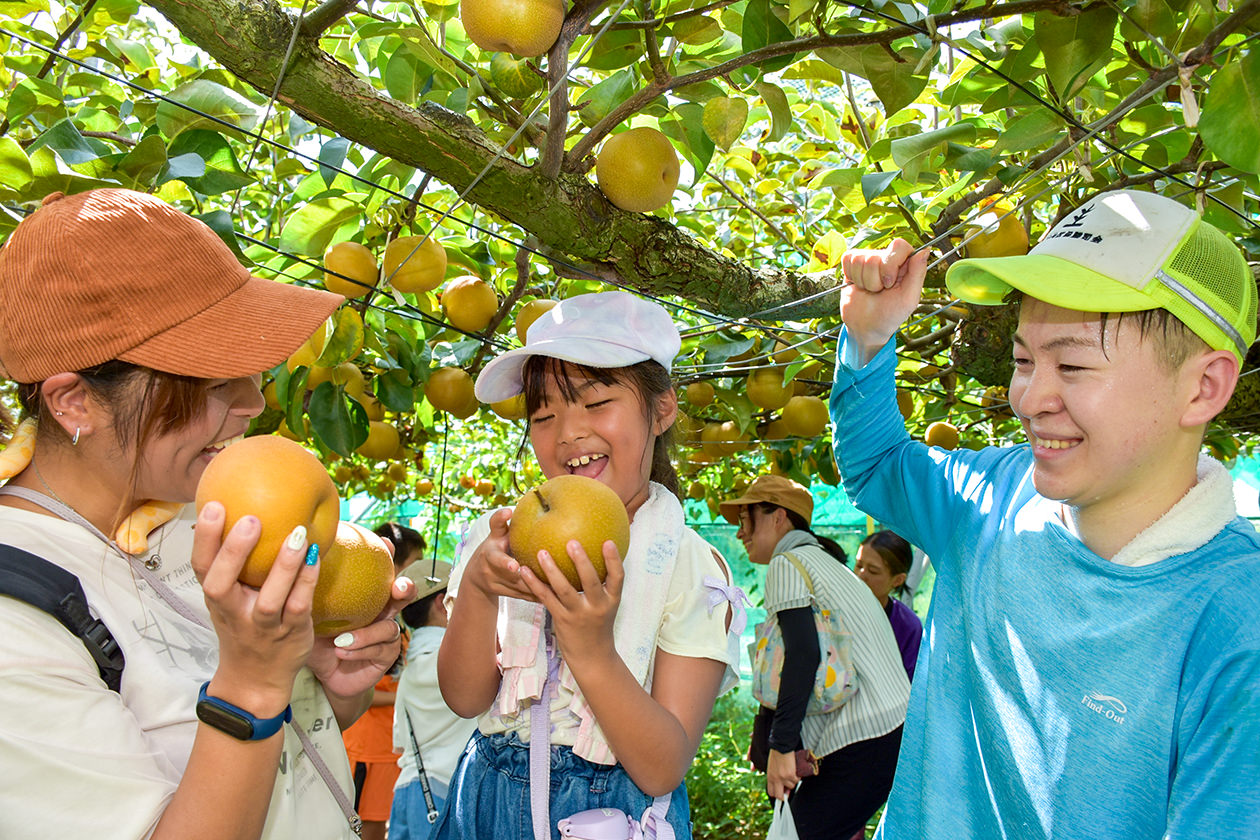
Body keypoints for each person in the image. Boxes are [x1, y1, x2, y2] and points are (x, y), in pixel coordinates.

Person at [831, 188, 1260, 838]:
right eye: (1024, 361)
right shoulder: (991, 500)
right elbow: (877, 465)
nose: (1029, 398)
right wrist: (867, 337)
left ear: (1203, 387)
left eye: (1074, 363)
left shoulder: (1236, 626)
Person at [0, 189, 415, 839]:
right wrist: (251, 686)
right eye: (211, 380)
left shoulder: (205, 518)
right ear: (75, 403)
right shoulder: (15, 625)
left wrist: (326, 685)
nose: (253, 400)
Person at [434, 291, 745, 840]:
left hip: (613, 812)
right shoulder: (499, 539)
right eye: (544, 414)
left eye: (596, 403)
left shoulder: (687, 564)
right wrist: (482, 594)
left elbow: (662, 765)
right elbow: (464, 699)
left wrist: (592, 651)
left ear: (662, 410)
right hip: (483, 798)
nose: (568, 431)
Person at [720, 475, 910, 840]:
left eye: (746, 519)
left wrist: (780, 748)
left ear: (779, 518)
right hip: (883, 735)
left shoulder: (788, 563)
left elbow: (803, 655)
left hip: (866, 739)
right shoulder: (824, 562)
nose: (741, 533)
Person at [343, 522, 427, 840]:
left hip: (388, 747)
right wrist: (405, 695)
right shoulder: (363, 614)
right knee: (367, 826)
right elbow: (357, 689)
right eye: (415, 564)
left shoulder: (395, 621)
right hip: (368, 748)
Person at [389, 557, 476, 839]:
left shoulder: (413, 666)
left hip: (411, 791)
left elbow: (400, 742)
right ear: (442, 602)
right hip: (440, 793)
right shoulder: (452, 662)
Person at [854, 530, 923, 680]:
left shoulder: (908, 626)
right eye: (859, 565)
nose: (861, 575)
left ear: (898, 580)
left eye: (873, 571)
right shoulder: (834, 610)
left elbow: (909, 683)